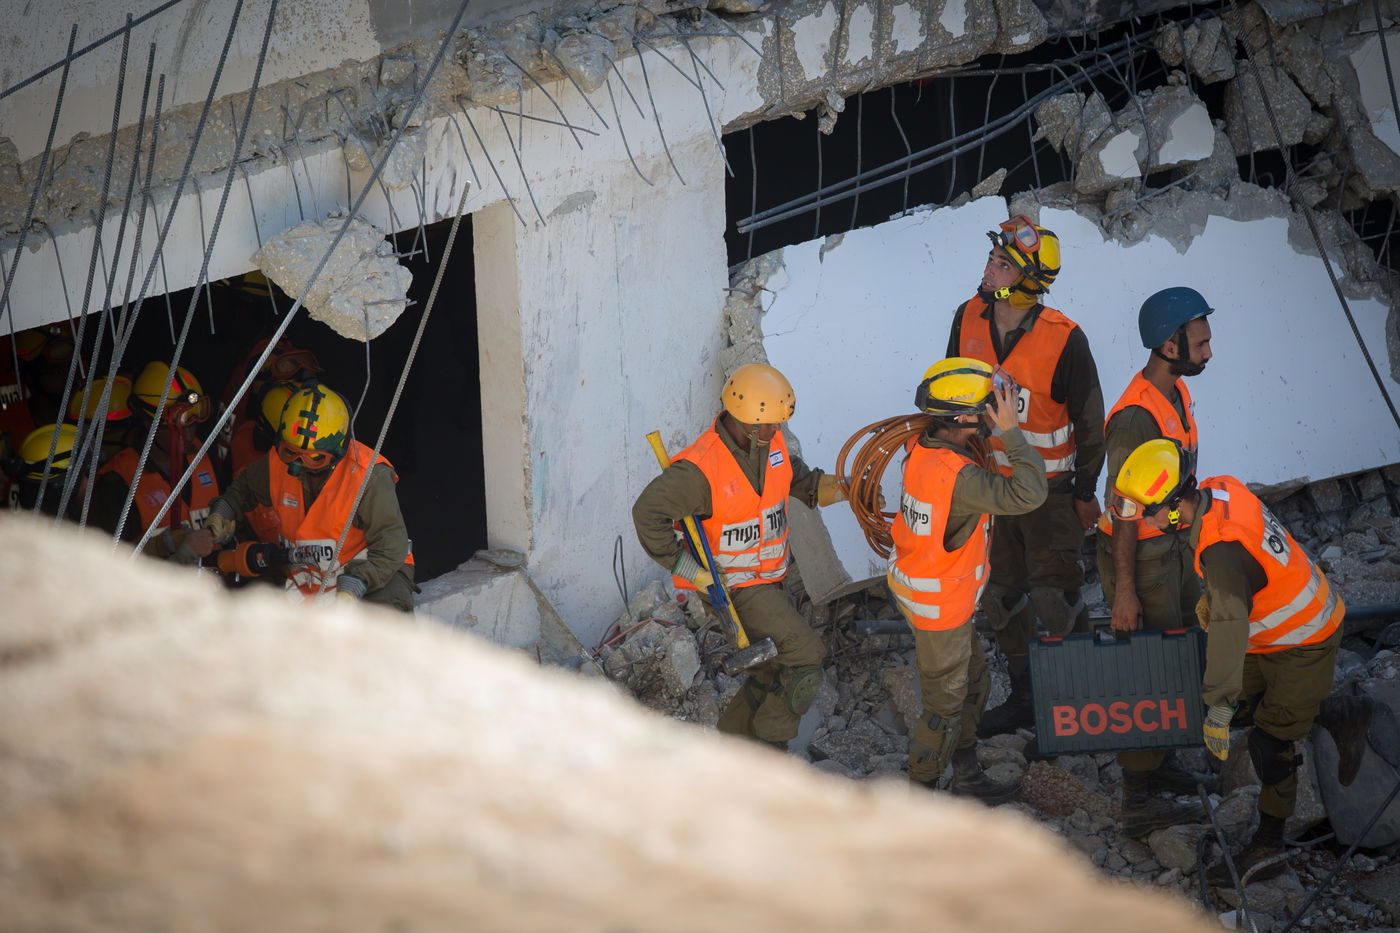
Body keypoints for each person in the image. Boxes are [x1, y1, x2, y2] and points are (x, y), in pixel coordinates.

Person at [1107, 439, 1374, 880]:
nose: (1145, 522)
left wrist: (1218, 704)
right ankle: (1328, 709)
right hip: (1268, 632)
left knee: (1269, 742)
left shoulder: (1222, 555)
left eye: (1148, 513)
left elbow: (1230, 628)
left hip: (1304, 636)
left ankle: (1269, 846)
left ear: (1174, 509)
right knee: (1249, 710)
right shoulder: (1219, 488)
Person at [631, 362, 847, 750]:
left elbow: (803, 483)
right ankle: (769, 756)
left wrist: (846, 489)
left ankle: (730, 754)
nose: (773, 431)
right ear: (739, 417)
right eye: (764, 424)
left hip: (771, 578)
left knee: (768, 672)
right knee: (804, 657)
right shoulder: (698, 471)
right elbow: (647, 514)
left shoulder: (771, 445)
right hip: (733, 587)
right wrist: (688, 569)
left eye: (777, 423)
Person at [949, 215, 1106, 738]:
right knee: (999, 594)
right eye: (993, 258)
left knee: (1053, 596)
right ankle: (1025, 695)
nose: (989, 267)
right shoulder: (967, 317)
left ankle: (1083, 703)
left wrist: (1086, 492)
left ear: (1027, 279)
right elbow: (952, 397)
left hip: (1052, 497)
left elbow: (1089, 421)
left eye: (1002, 262)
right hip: (990, 491)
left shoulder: (1066, 340)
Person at [888, 357, 1047, 801]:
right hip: (941, 609)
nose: (997, 409)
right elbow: (1029, 493)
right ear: (963, 417)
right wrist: (1012, 434)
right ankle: (917, 797)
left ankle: (967, 776)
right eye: (988, 405)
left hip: (938, 597)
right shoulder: (958, 478)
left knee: (975, 684)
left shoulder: (924, 448)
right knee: (944, 708)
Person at [1098, 286, 1216, 835]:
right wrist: (1124, 592)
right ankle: (1138, 799)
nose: (1208, 352)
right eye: (1200, 342)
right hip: (1140, 558)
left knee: (1178, 652)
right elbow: (1123, 512)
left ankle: (1161, 762)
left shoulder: (1177, 394)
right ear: (1170, 347)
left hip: (1171, 549)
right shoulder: (1133, 418)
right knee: (1148, 666)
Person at [203, 381, 417, 610]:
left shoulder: (368, 476)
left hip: (374, 571)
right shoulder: (276, 463)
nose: (298, 465)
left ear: (338, 451)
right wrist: (222, 512)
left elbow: (390, 544)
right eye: (291, 453)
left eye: (315, 458)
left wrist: (358, 581)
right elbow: (241, 491)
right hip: (310, 575)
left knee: (380, 626)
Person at [87, 361, 221, 565]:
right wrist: (161, 545)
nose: (189, 434)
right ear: (149, 422)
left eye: (193, 422)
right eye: (179, 424)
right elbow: (103, 566)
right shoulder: (118, 483)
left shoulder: (203, 455)